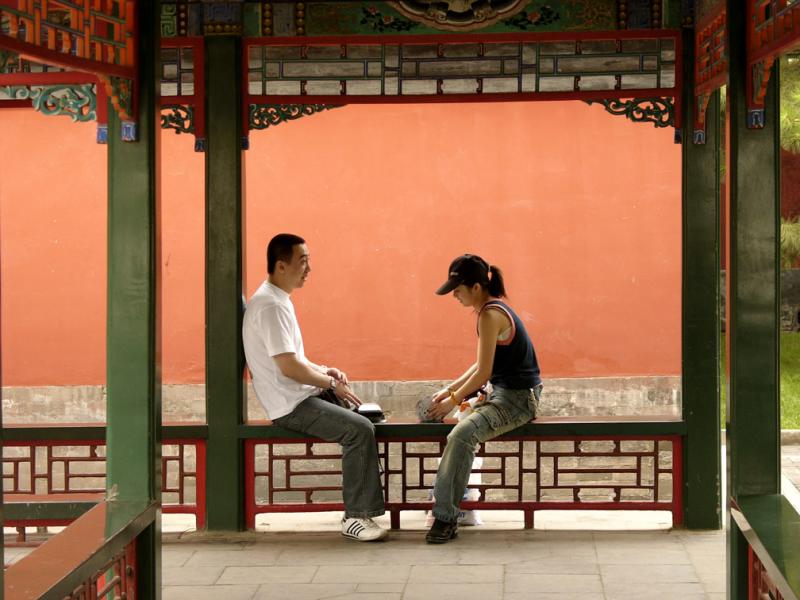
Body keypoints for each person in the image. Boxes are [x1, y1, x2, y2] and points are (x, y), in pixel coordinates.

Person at [242, 233, 387, 542]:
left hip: (300, 395)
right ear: (281, 266)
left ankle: (365, 506)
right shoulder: (270, 306)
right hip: (290, 406)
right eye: (302, 261)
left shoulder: (278, 299)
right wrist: (330, 382)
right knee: (358, 430)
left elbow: (294, 359)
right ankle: (355, 517)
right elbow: (289, 367)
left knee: (369, 420)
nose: (308, 269)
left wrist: (325, 371)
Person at [425, 254, 543, 544]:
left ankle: (445, 517)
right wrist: (449, 389)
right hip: (504, 394)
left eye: (458, 288)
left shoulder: (490, 314)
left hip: (517, 400)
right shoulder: (491, 311)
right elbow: (480, 365)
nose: (454, 295)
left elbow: (484, 373)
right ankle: (447, 510)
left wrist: (452, 400)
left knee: (463, 433)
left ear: (476, 287)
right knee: (461, 431)